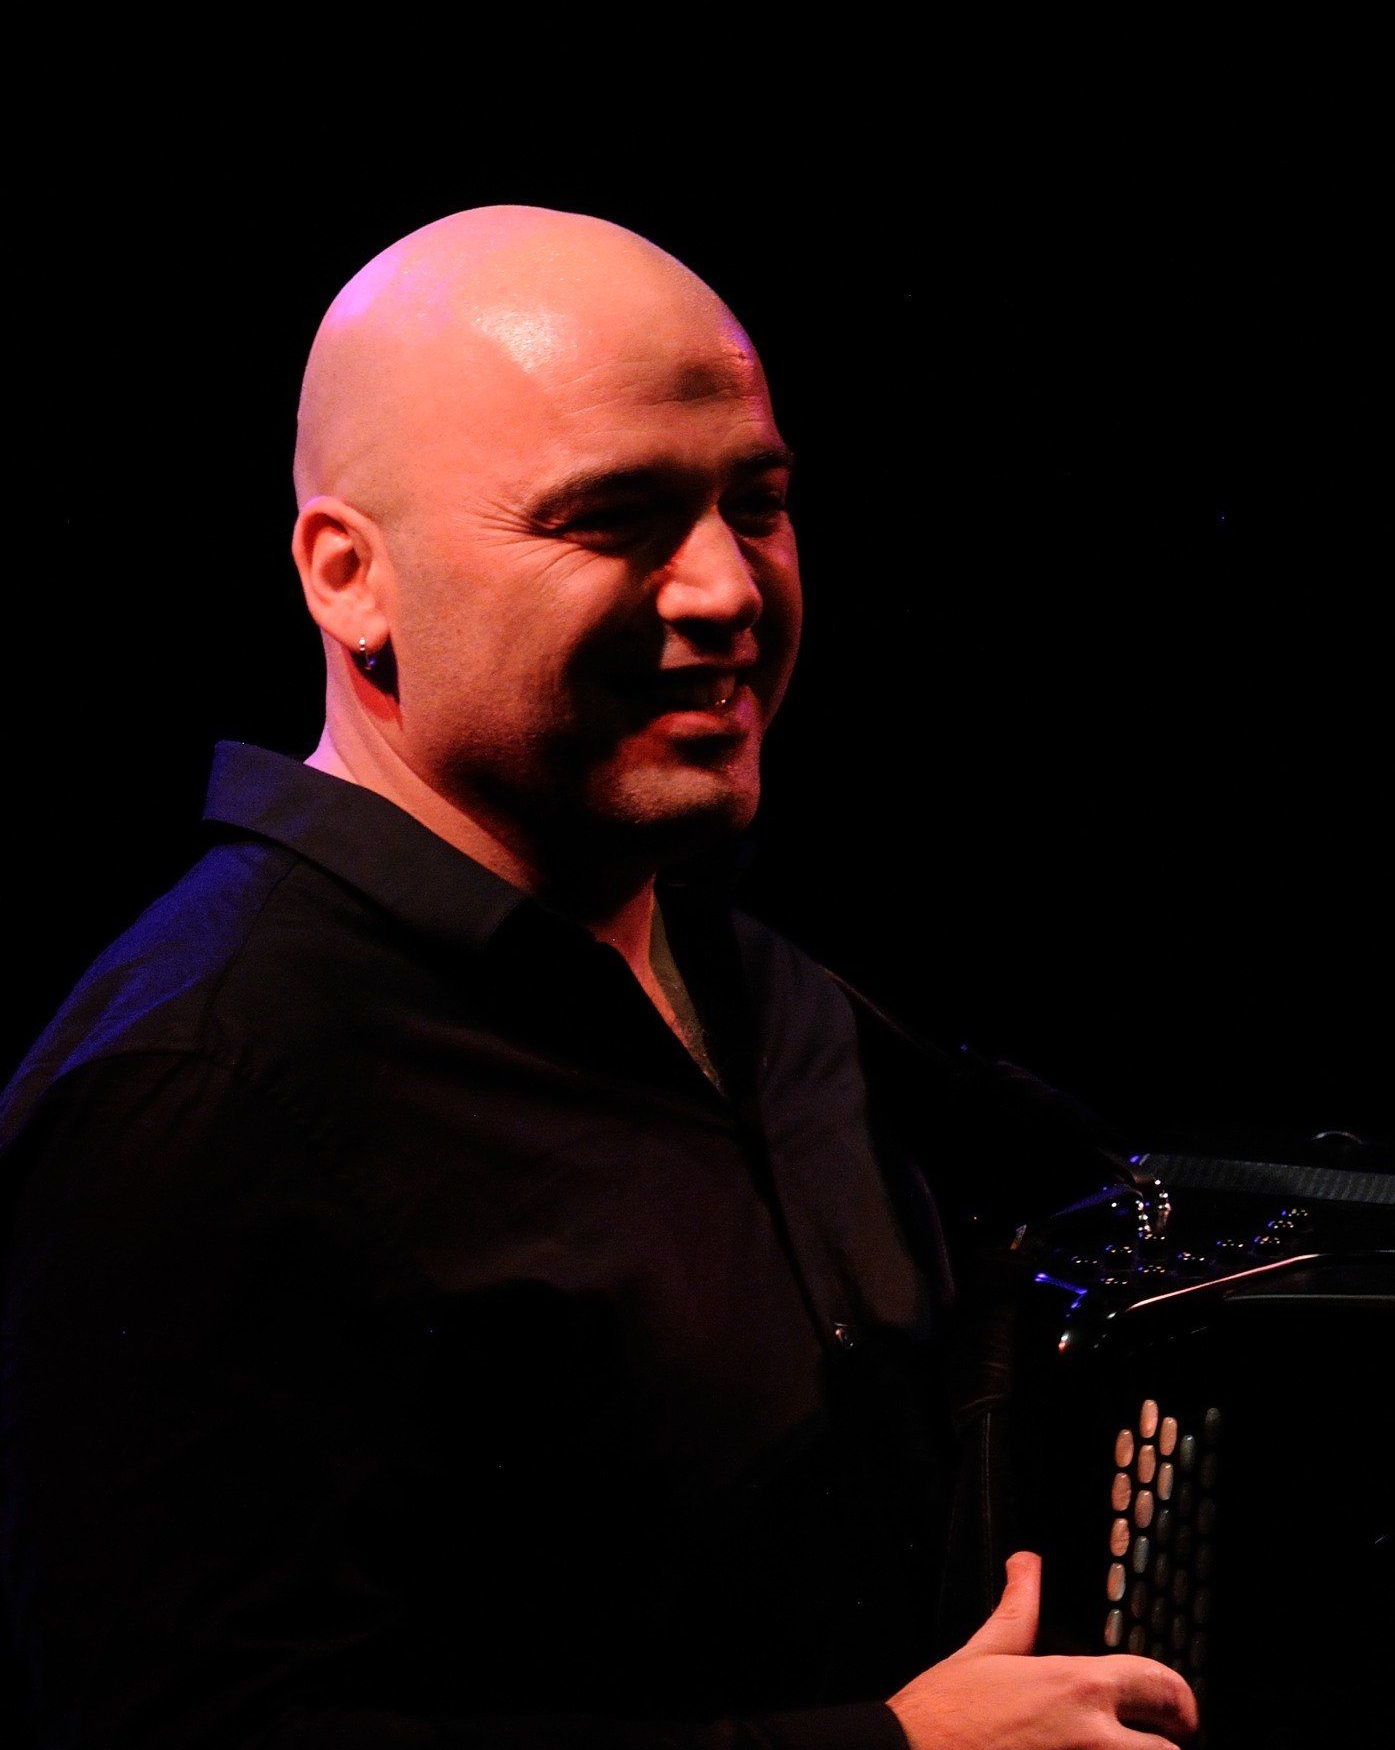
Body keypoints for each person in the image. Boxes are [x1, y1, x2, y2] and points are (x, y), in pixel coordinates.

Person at [0, 207, 1200, 1749]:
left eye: (756, 506)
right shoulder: (211, 1082)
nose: (725, 590)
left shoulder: (762, 988)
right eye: (612, 519)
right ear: (351, 578)